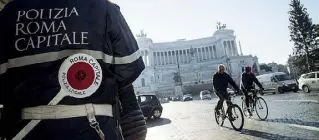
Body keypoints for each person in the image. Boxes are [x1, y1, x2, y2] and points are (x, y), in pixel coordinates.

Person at [0, 0, 147, 140]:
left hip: (25, 131)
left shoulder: (8, 14)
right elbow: (128, 70)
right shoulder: (103, 8)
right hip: (93, 130)